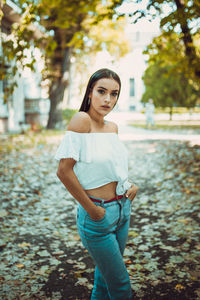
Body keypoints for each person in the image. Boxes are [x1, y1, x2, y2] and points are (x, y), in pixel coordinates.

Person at [55, 68, 139, 300]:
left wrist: (130, 185)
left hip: (122, 210)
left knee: (103, 284)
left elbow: (111, 167)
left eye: (114, 94)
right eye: (102, 91)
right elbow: (63, 170)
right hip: (97, 216)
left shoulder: (112, 128)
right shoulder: (82, 121)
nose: (107, 99)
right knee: (121, 287)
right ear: (90, 92)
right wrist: (92, 209)